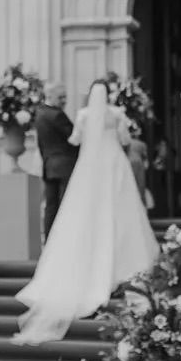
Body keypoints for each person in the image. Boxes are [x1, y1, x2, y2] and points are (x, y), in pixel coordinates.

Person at [12, 80, 159, 346]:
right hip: (114, 164)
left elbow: (76, 138)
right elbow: (125, 139)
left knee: (84, 213)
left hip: (89, 168)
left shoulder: (81, 115)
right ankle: (125, 261)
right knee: (121, 214)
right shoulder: (116, 114)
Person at [33, 84, 78, 241]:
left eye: (65, 96)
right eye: (61, 97)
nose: (64, 101)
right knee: (66, 205)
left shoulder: (39, 114)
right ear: (50, 96)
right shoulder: (57, 115)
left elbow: (40, 143)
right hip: (65, 165)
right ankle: (65, 240)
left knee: (51, 206)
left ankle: (49, 241)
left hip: (49, 166)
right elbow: (75, 139)